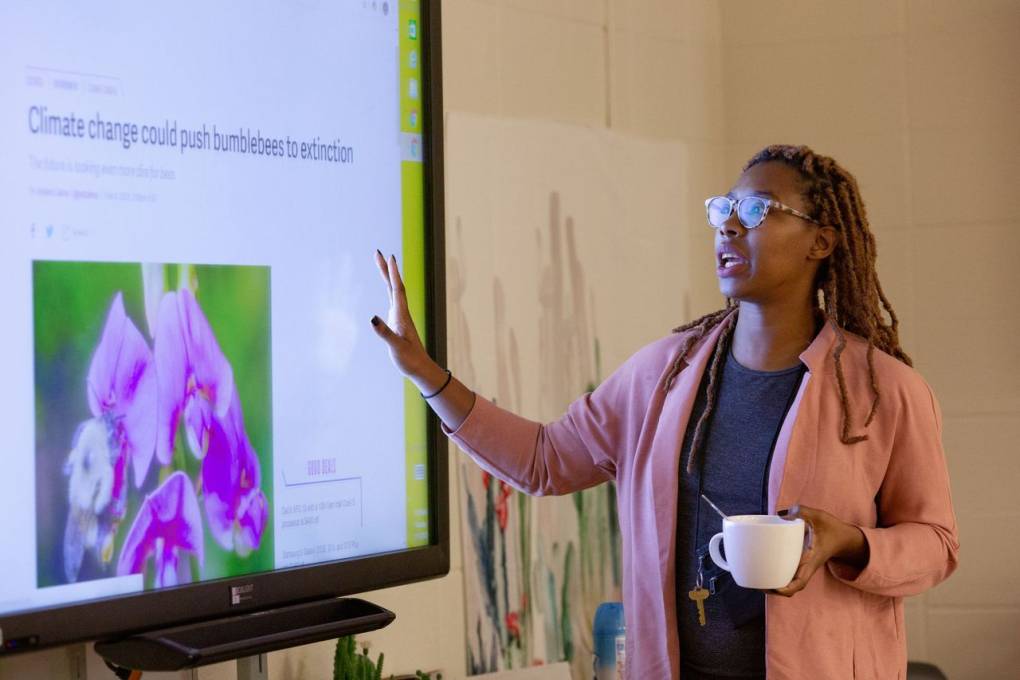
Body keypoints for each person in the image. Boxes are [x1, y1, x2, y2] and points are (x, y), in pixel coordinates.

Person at [370, 144, 959, 679]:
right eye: (722, 208)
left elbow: (936, 544)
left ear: (821, 241)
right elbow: (545, 461)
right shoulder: (662, 375)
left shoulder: (884, 391)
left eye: (755, 210)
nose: (728, 224)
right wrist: (427, 374)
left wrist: (851, 542)